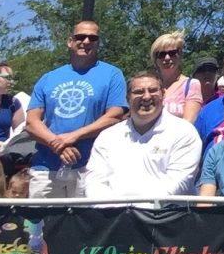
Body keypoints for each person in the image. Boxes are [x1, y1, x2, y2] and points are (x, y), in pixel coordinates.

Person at [25, 21, 128, 199]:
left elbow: (115, 116)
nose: (86, 41)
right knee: (40, 216)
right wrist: (57, 144)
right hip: (46, 167)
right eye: (80, 37)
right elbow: (31, 122)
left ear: (98, 43)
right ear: (70, 41)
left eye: (92, 38)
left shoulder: (112, 74)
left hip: (90, 166)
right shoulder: (48, 78)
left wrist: (73, 136)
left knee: (86, 217)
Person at [83, 70, 203, 200]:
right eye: (139, 92)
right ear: (127, 98)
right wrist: (113, 209)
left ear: (163, 94)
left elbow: (178, 184)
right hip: (113, 211)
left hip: (166, 211)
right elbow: (94, 183)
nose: (146, 97)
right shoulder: (107, 137)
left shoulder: (184, 132)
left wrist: (137, 207)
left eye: (153, 90)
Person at [151, 31, 203, 122]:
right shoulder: (150, 87)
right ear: (155, 59)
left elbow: (188, 123)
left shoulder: (191, 85)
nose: (167, 58)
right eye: (161, 54)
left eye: (172, 53)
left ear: (180, 55)